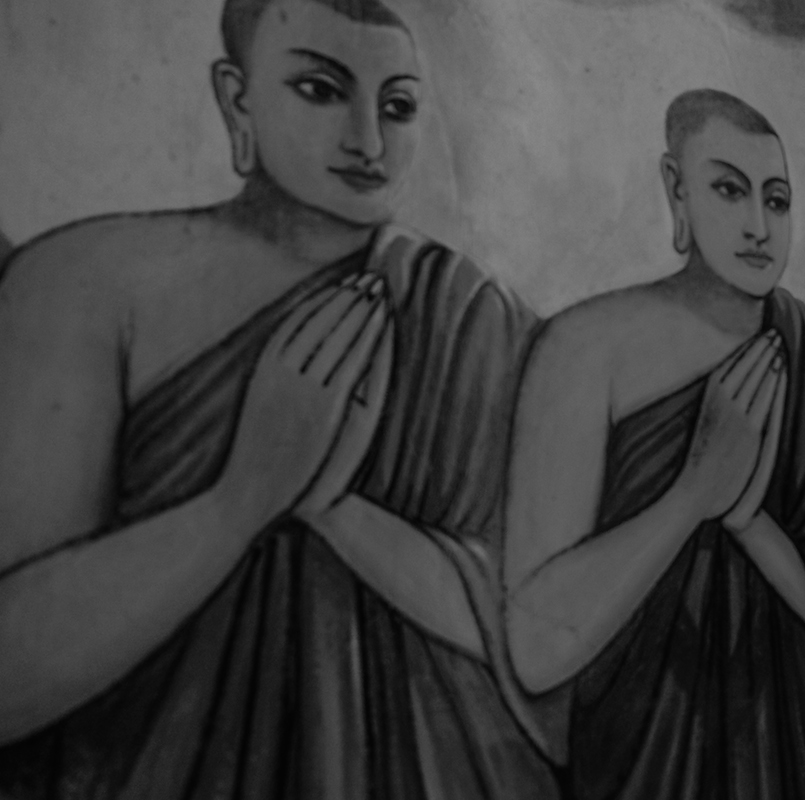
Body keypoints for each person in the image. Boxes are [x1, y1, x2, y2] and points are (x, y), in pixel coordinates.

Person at [0, 0, 558, 796]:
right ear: (238, 99)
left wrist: (333, 505)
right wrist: (242, 496)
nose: (369, 141)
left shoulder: (475, 322)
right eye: (321, 90)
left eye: (397, 107)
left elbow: (547, 647)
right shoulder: (85, 282)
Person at [504, 88, 805, 799]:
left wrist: (749, 521)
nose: (758, 225)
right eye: (729, 190)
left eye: (777, 200)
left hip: (803, 763)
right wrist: (691, 494)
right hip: (641, 756)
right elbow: (535, 649)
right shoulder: (584, 350)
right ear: (677, 190)